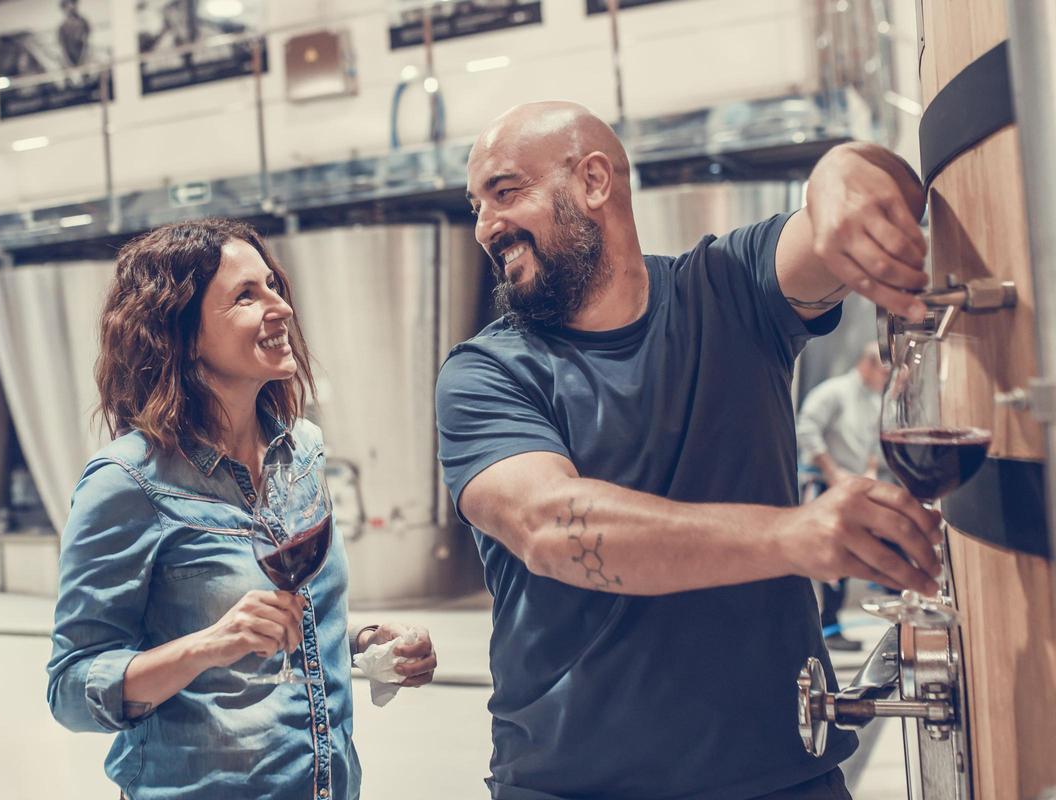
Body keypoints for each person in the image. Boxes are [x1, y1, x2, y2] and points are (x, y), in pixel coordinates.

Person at [437, 101, 941, 799]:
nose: (486, 226)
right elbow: (551, 526)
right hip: (572, 784)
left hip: (779, 776)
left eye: (505, 191)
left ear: (592, 181)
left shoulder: (730, 289)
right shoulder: (485, 373)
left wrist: (844, 169)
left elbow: (844, 223)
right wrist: (795, 535)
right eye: (476, 205)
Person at [47, 218, 437, 800]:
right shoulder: (126, 481)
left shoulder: (301, 450)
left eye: (274, 285)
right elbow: (72, 689)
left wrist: (365, 639)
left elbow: (288, 617)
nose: (279, 306)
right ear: (181, 334)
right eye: (246, 296)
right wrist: (208, 646)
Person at [798, 341, 892, 652]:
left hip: (854, 486)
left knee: (853, 551)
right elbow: (807, 429)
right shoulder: (834, 392)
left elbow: (872, 446)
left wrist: (870, 473)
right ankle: (824, 627)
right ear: (867, 364)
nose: (885, 378)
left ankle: (836, 624)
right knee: (828, 554)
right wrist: (833, 471)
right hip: (825, 484)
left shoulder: (875, 401)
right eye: (883, 370)